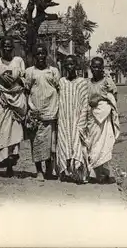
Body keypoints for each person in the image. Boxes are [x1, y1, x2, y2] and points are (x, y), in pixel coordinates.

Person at [0, 37, 27, 180]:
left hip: (15, 100)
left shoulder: (18, 61)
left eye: (10, 46)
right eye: (5, 46)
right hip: (0, 100)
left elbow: (25, 79)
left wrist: (15, 79)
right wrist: (0, 76)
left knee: (13, 135)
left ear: (13, 48)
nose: (8, 49)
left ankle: (9, 167)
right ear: (1, 48)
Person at [24, 44, 60, 181]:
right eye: (38, 54)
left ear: (46, 55)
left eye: (43, 54)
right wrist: (29, 109)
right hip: (35, 112)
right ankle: (39, 171)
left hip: (51, 111)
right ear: (34, 56)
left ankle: (49, 171)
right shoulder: (29, 72)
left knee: (51, 143)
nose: (40, 56)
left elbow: (58, 88)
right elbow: (27, 90)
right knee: (37, 142)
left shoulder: (53, 71)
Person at [56, 55, 90, 184]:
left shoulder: (82, 82)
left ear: (76, 66)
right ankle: (66, 171)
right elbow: (59, 100)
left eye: (72, 64)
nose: (70, 67)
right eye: (67, 64)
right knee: (64, 143)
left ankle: (79, 174)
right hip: (64, 118)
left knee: (77, 145)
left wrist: (82, 121)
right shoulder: (61, 82)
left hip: (77, 119)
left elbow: (85, 102)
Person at [86, 57, 120, 184]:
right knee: (93, 145)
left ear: (103, 68)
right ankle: (95, 173)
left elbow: (114, 97)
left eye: (99, 67)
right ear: (90, 68)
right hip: (91, 119)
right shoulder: (87, 83)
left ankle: (103, 174)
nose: (96, 69)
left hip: (104, 118)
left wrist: (100, 99)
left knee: (104, 145)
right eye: (94, 67)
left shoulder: (108, 82)